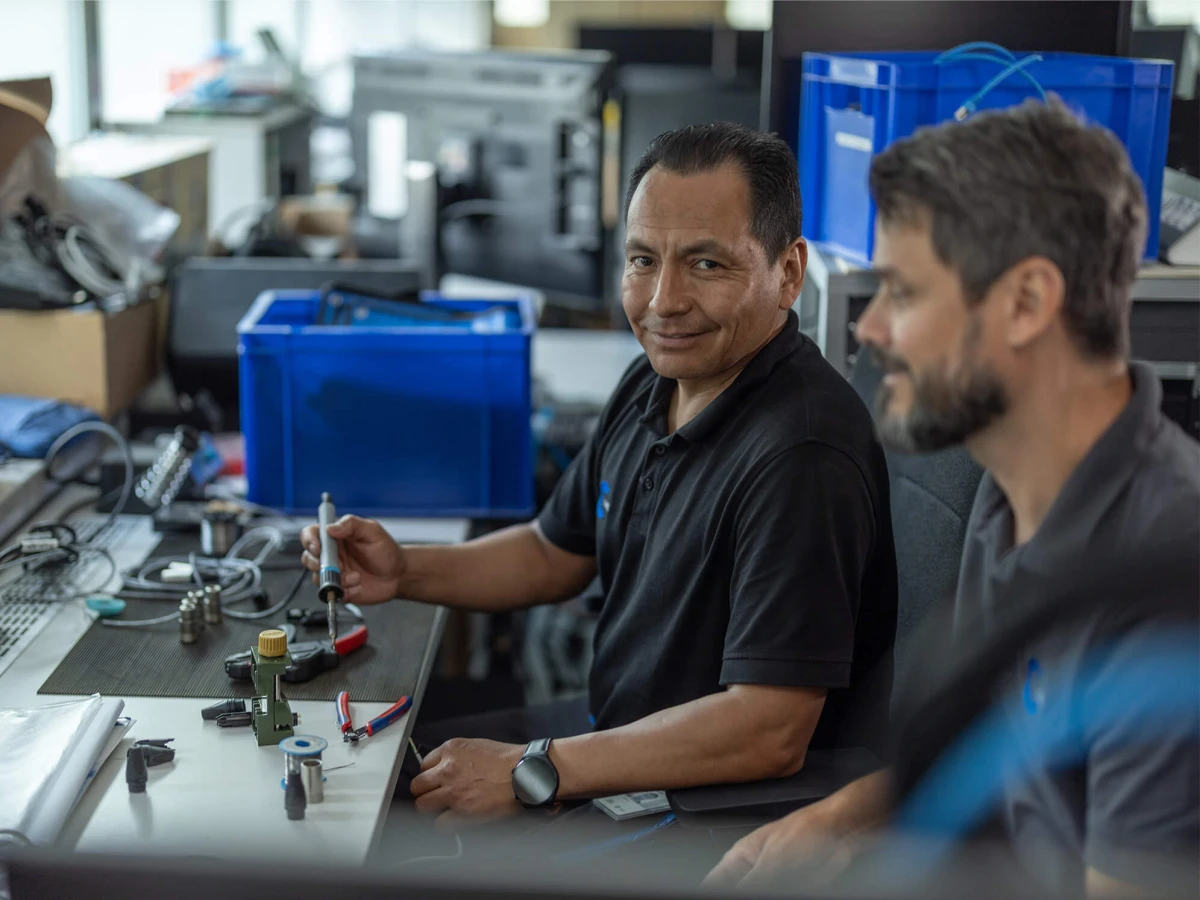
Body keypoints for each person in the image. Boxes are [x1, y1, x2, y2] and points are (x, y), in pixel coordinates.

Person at [301, 122, 897, 828]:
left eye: (706, 265)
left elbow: (769, 728)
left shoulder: (800, 454)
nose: (662, 301)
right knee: (368, 780)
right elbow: (556, 551)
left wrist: (537, 769)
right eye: (643, 261)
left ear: (788, 272)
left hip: (709, 808)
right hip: (613, 739)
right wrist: (405, 571)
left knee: (383, 834)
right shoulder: (655, 382)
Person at [708, 100, 1200, 895]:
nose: (869, 331)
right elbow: (1005, 746)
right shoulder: (1012, 506)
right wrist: (838, 819)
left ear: (1027, 303)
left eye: (902, 293)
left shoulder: (1164, 599)